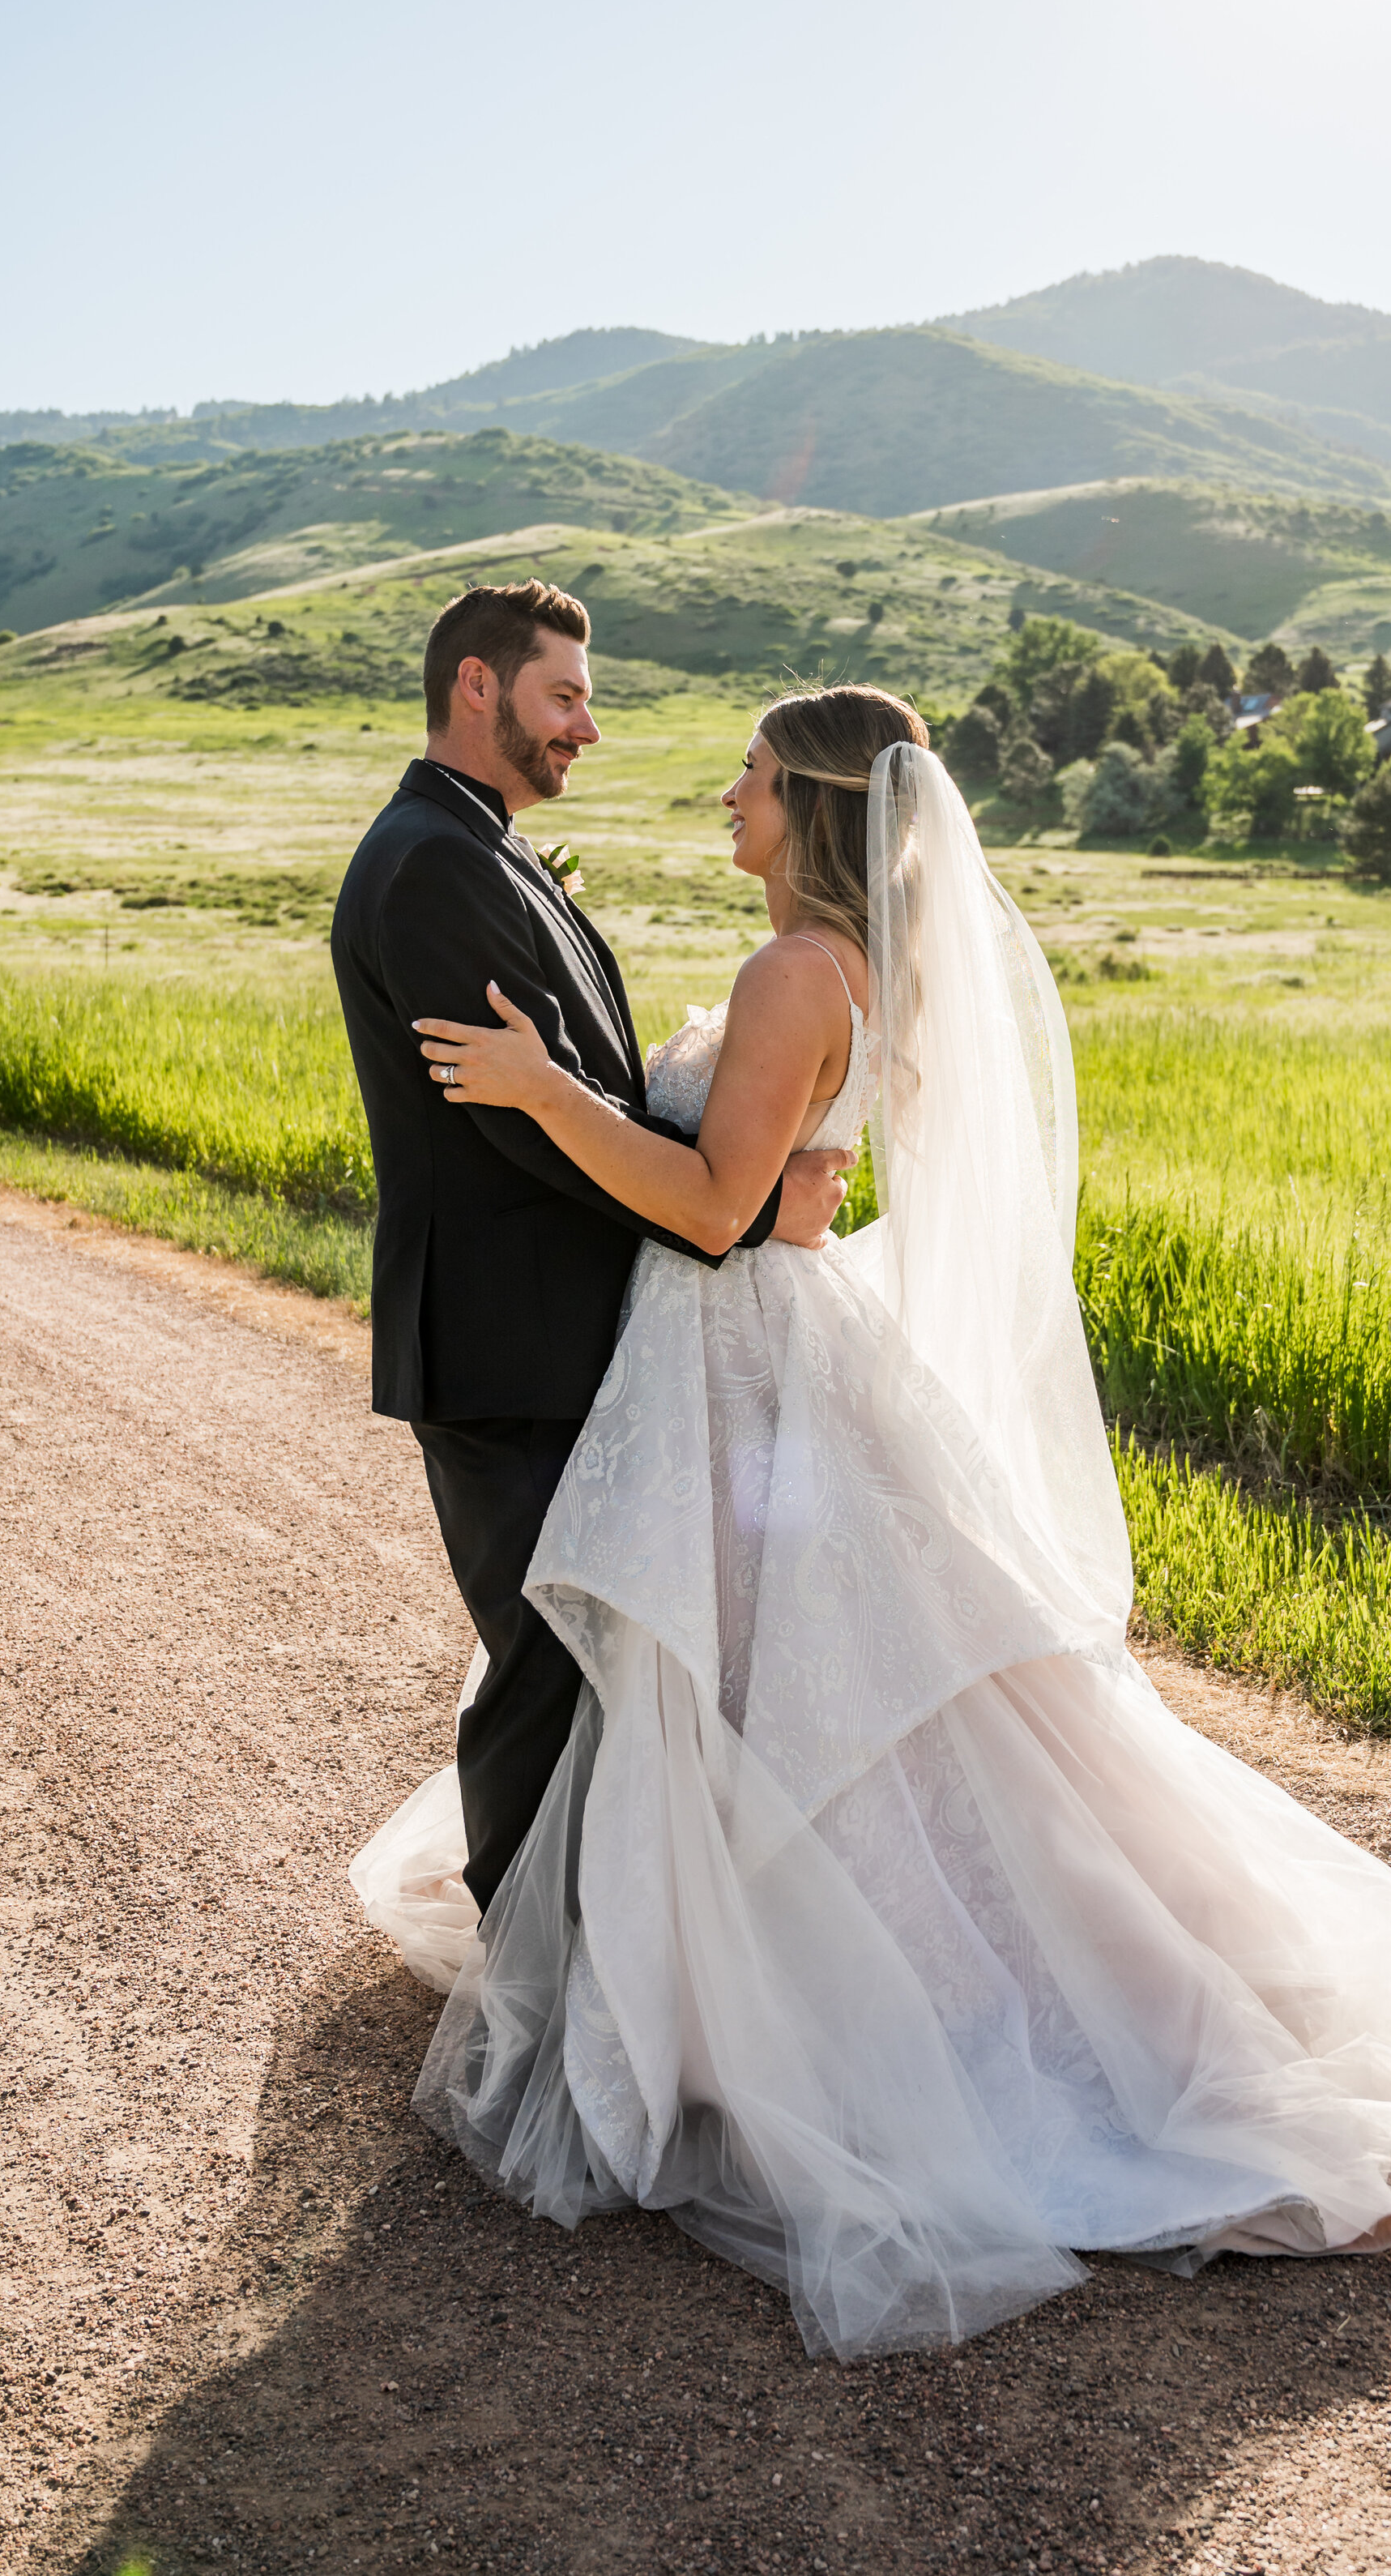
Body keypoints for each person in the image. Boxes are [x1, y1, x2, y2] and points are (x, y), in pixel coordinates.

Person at [353, 681, 1391, 2361]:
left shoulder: (786, 972)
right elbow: (776, 1185)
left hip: (752, 1370)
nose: (724, 804)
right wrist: (750, 1179)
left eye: (749, 780)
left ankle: (876, 2040)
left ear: (813, 807)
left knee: (779, 1696)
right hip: (782, 1341)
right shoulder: (853, 968)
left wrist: (544, 1092)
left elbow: (706, 1205)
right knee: (838, 1703)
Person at [330, 579, 849, 1920]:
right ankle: (529, 1967)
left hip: (571, 1333)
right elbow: (524, 1131)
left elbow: (577, 1090)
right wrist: (735, 1217)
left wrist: (724, 1191)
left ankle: (594, 1953)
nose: (588, 728)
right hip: (508, 1344)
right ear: (478, 689)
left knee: (596, 1654)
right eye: (566, 696)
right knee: (548, 1660)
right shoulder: (436, 863)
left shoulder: (483, 845)